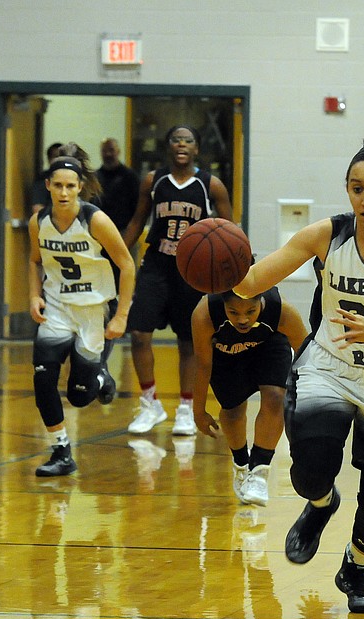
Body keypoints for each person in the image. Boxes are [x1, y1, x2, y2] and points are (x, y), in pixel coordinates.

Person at [233, 128, 364, 614]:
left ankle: (356, 568)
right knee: (308, 472)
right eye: (356, 188)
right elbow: (251, 282)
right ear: (348, 190)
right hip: (330, 365)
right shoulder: (327, 235)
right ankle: (321, 505)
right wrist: (215, 264)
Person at [27, 143, 136, 476]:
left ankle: (100, 375)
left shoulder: (95, 220)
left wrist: (121, 316)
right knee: (43, 377)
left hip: (92, 309)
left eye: (70, 186)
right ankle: (61, 451)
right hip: (57, 307)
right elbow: (34, 260)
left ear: (80, 188)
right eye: (57, 185)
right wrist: (34, 296)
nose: (63, 192)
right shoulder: (38, 221)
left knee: (78, 397)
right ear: (48, 185)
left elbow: (127, 265)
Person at [123, 125, 234, 437]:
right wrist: (113, 255)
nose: (182, 144)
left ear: (196, 148)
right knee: (139, 333)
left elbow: (230, 230)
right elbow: (136, 222)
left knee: (188, 342)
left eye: (189, 139)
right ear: (168, 147)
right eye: (176, 139)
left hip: (193, 272)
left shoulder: (211, 186)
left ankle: (185, 408)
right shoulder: (153, 181)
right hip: (156, 265)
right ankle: (150, 404)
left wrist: (236, 271)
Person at [191, 286, 308, 506]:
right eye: (233, 312)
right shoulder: (205, 314)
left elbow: (307, 356)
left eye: (250, 311)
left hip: (269, 347)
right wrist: (198, 411)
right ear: (223, 303)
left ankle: (260, 472)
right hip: (226, 356)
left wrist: (312, 401)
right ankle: (241, 464)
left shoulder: (282, 311)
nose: (242, 319)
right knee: (233, 412)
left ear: (261, 301)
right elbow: (203, 364)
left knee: (275, 397)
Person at [94, 137, 141, 370]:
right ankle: (104, 319)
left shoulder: (130, 177)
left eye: (112, 150)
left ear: (119, 150)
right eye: (105, 150)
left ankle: (125, 321)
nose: (109, 154)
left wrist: (126, 239)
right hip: (99, 237)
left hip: (125, 236)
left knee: (126, 277)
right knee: (104, 281)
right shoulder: (96, 177)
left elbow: (138, 212)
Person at [29, 142, 63, 215]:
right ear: (49, 159)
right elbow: (37, 209)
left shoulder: (76, 177)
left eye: (63, 157)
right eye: (56, 156)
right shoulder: (42, 180)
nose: (60, 160)